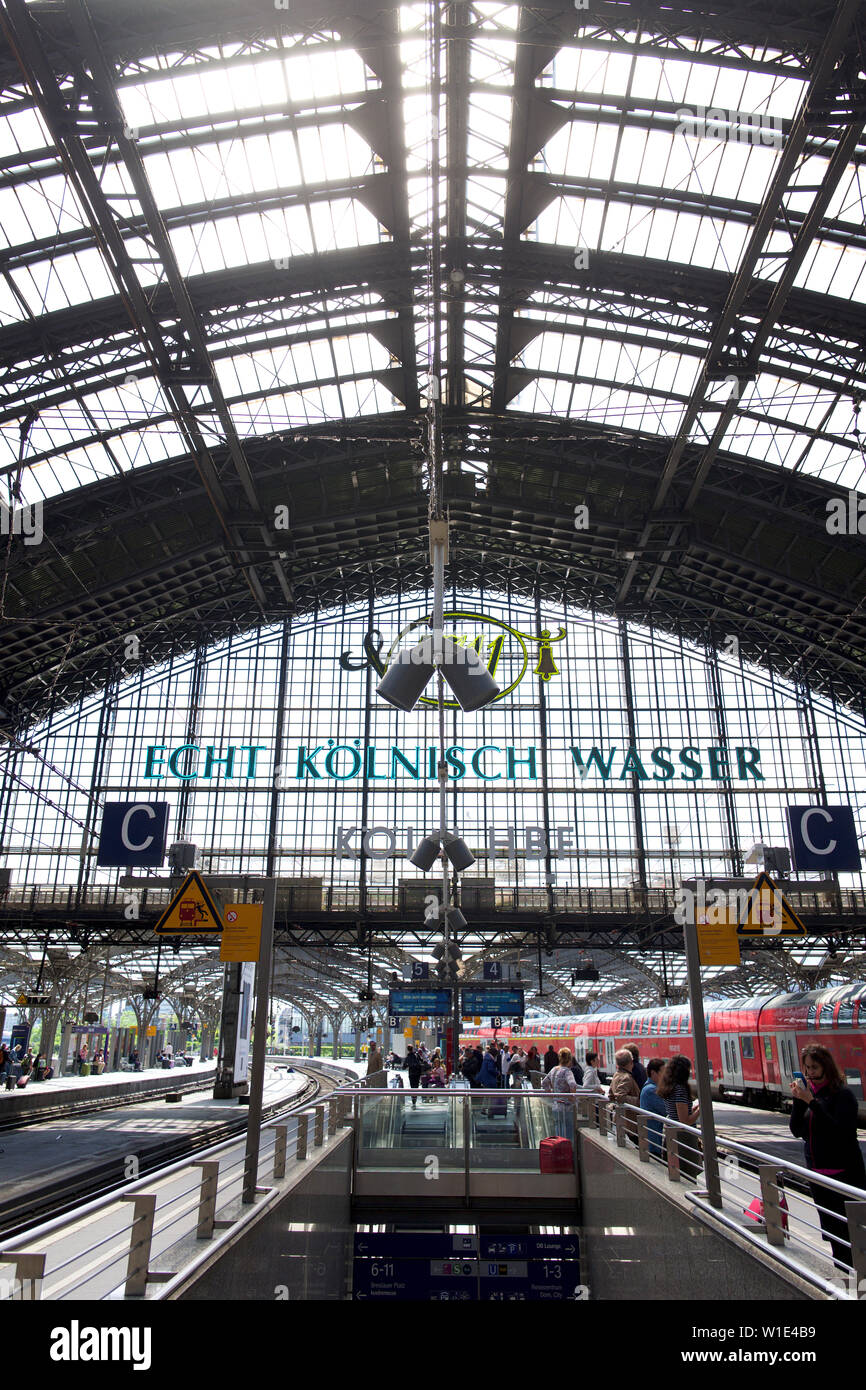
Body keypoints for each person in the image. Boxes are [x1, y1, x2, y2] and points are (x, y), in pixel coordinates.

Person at [790, 1044, 866, 1269]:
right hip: (819, 1177)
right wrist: (798, 1102)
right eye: (807, 1069)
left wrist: (811, 1103)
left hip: (844, 1175)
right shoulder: (810, 1096)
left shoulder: (842, 1096)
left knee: (852, 1233)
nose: (810, 1073)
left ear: (826, 1067)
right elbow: (797, 1130)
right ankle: (844, 1280)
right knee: (833, 1233)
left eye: (814, 1068)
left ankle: (857, 1280)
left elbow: (839, 1131)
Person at [657, 1054, 702, 1179]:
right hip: (684, 1138)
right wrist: (700, 1111)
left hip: (673, 1134)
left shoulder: (669, 1087)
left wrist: (693, 1109)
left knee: (678, 1173)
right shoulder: (680, 1089)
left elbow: (676, 1113)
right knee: (688, 1174)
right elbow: (684, 1121)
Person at [543, 1047, 578, 1142]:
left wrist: (550, 1093)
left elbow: (544, 1082)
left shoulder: (554, 1070)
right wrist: (572, 1097)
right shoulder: (567, 1071)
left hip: (556, 1105)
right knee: (567, 1132)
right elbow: (572, 1084)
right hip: (566, 1107)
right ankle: (567, 1150)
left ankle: (559, 1148)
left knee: (558, 1130)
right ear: (570, 1059)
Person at [640, 1058, 668, 1159]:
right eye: (662, 1072)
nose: (665, 1076)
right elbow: (666, 1110)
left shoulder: (649, 1087)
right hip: (653, 1140)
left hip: (653, 1138)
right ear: (653, 1073)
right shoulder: (651, 1090)